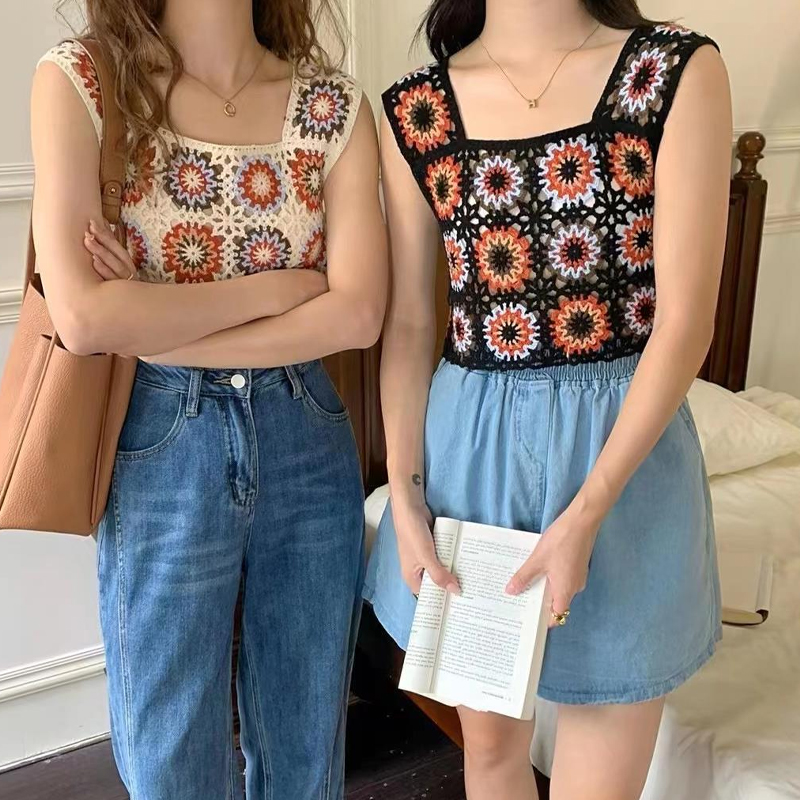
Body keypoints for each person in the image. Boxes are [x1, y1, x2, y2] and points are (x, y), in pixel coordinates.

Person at [363, 0, 731, 798]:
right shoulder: (416, 109)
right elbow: (412, 323)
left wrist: (589, 509)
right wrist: (405, 493)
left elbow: (685, 324)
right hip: (471, 462)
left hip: (624, 464)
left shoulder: (672, 71)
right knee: (490, 754)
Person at [32, 0, 386, 796]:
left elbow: (359, 314)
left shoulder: (332, 106)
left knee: (306, 752)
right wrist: (280, 290)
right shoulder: (84, 83)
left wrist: (157, 324)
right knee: (170, 758)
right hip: (160, 438)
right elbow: (84, 319)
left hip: (305, 431)